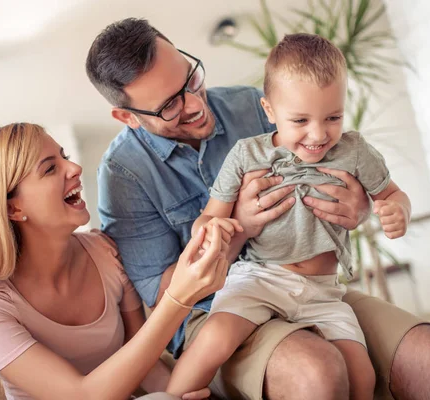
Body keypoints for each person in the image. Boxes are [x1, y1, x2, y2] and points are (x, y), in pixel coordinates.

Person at [87, 18, 430, 400]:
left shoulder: (250, 105)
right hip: (220, 303)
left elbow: (347, 170)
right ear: (127, 117)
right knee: (317, 372)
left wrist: (360, 208)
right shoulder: (124, 174)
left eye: (191, 78)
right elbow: (164, 294)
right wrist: (238, 227)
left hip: (319, 287)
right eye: (170, 105)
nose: (194, 103)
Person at [165, 33, 412, 400]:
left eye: (333, 117)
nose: (318, 134)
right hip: (260, 277)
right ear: (269, 111)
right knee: (215, 337)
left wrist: (398, 210)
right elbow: (208, 217)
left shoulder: (355, 151)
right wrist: (214, 227)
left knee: (360, 376)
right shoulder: (247, 155)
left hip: (324, 292)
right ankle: (171, 395)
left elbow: (392, 194)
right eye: (300, 120)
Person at [0, 122, 230, 400]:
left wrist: (178, 389)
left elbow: (140, 357)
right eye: (50, 168)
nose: (75, 169)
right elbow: (81, 395)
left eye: (64, 156)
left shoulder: (105, 252)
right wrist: (177, 298)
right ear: (13, 208)